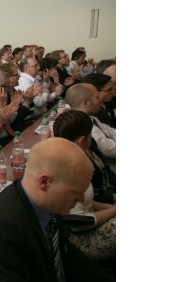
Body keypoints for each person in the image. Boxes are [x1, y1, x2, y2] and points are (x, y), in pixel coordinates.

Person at [0, 138, 113, 282]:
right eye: (76, 192)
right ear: (44, 182)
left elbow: (68, 256)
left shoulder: (47, 204)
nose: (81, 199)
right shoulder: (3, 229)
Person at [53, 110, 115, 261]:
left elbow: (88, 202)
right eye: (90, 137)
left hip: (89, 224)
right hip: (78, 239)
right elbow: (80, 222)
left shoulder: (74, 160)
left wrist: (112, 208)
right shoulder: (68, 169)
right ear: (82, 141)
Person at [65, 83, 116, 172]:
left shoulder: (90, 117)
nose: (100, 100)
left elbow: (111, 131)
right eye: (96, 97)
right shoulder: (83, 126)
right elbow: (108, 149)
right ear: (86, 102)